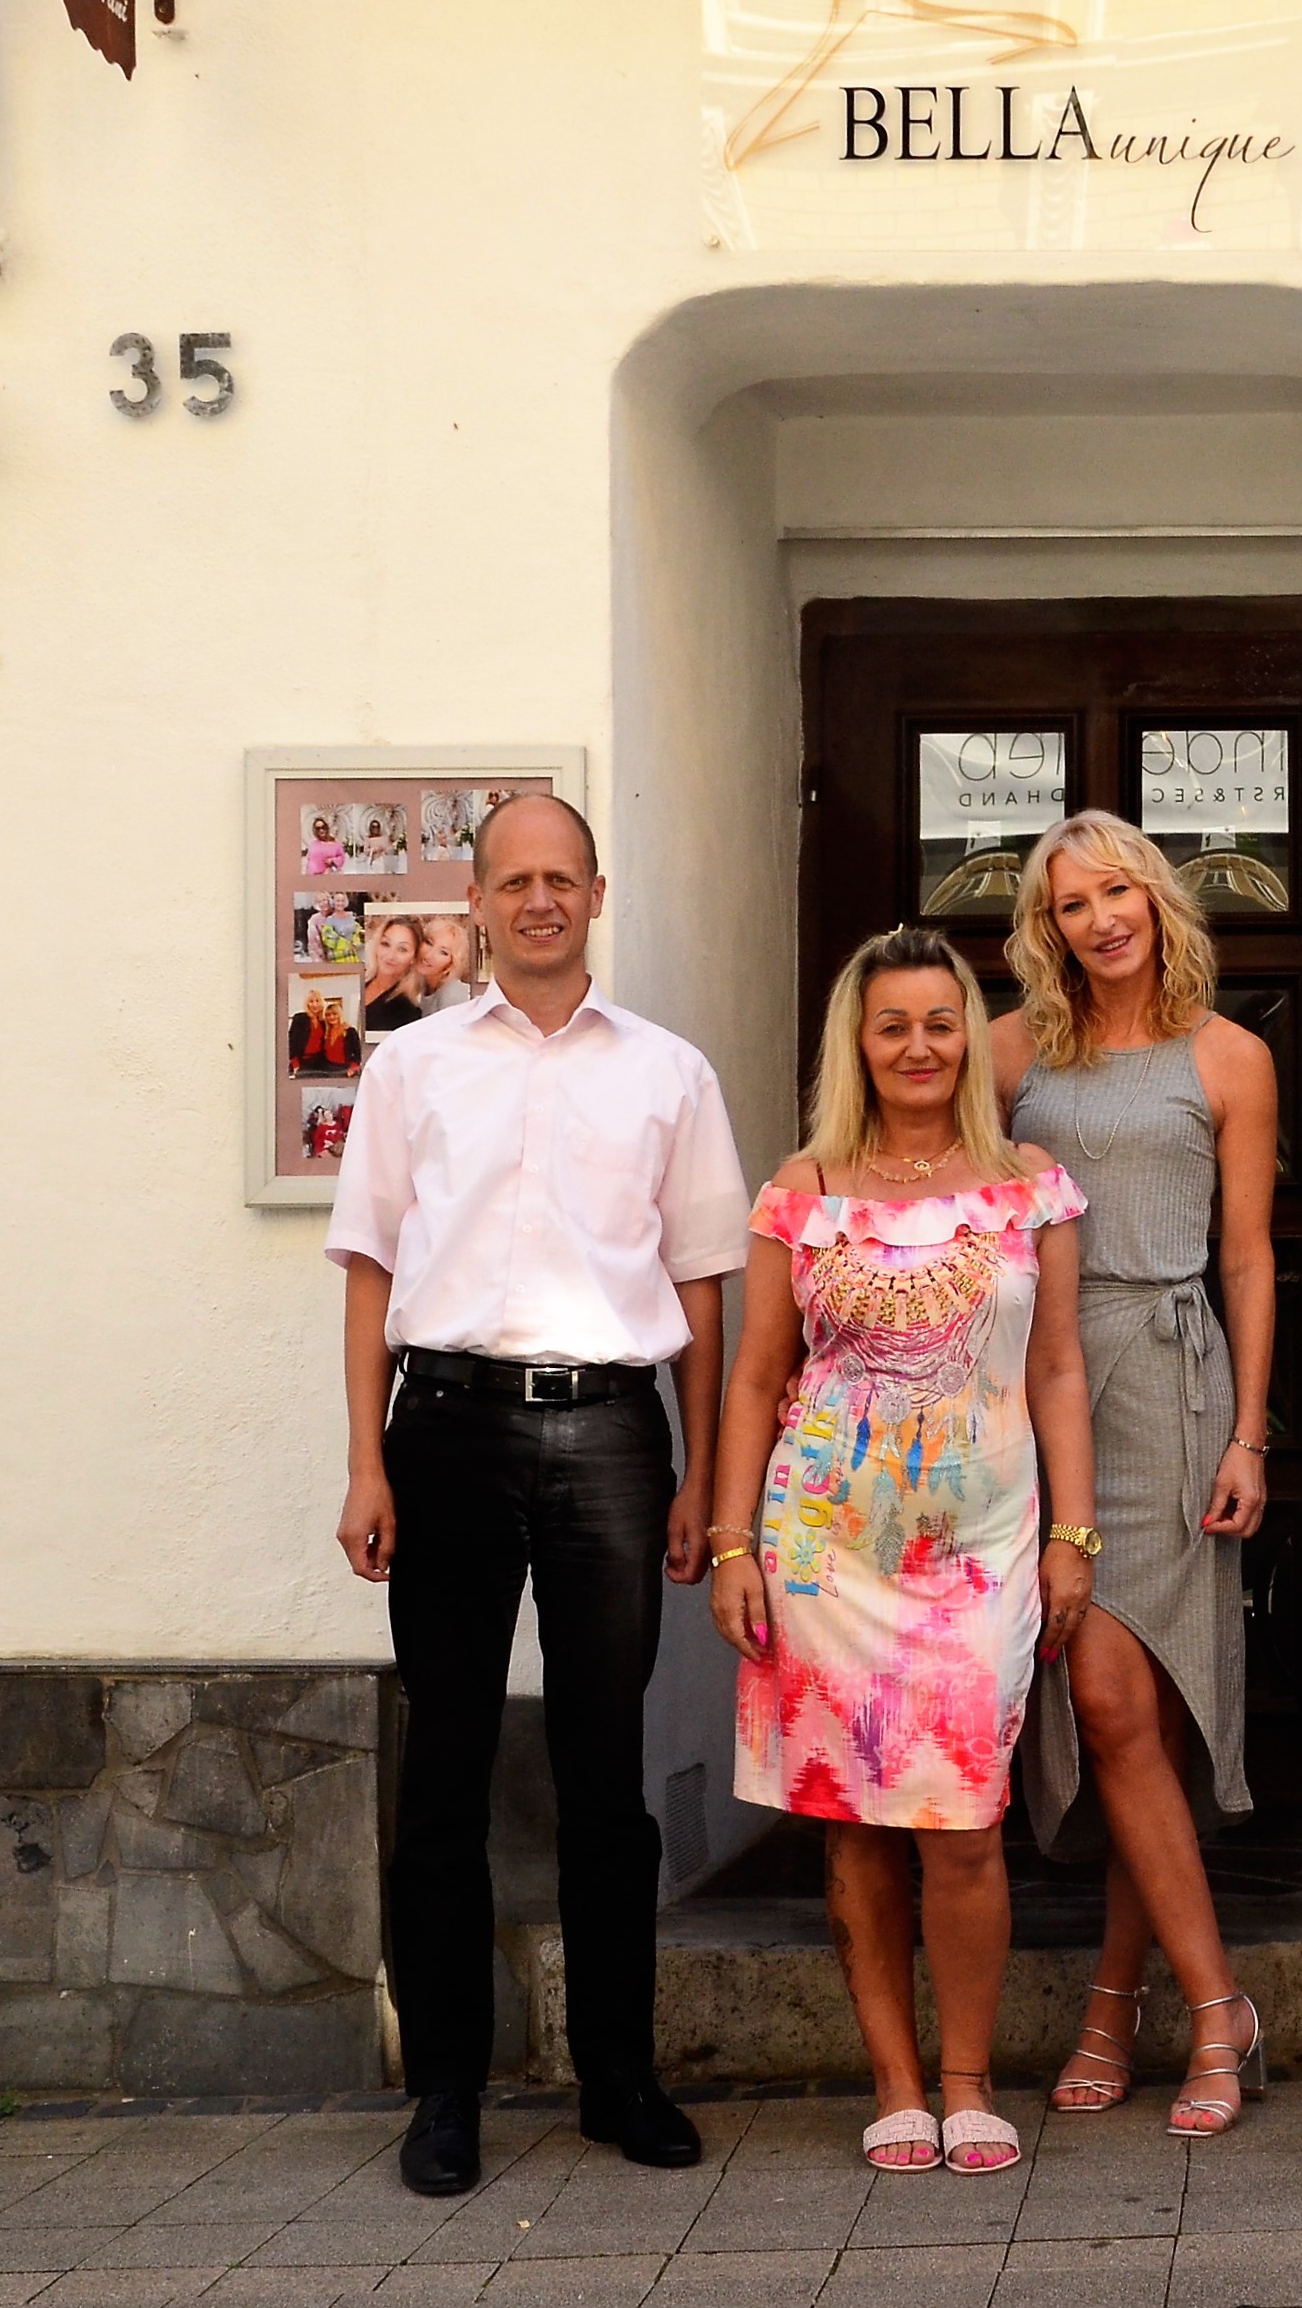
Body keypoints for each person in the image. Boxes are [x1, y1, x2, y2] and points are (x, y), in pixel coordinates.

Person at [325, 793, 746, 2196]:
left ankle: (616, 2074)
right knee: (443, 1765)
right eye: (516, 880)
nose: (541, 899)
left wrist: (695, 1473)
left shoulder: (669, 1073)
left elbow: (701, 1279)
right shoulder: (412, 1066)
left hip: (613, 1438)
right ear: (481, 900)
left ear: (596, 892)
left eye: (562, 877)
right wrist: (363, 1458)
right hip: (441, 1426)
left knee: (599, 1773)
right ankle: (446, 2087)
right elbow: (370, 1268)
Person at [705, 925, 1099, 2178]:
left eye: (939, 1022)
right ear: (858, 1043)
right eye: (893, 1026)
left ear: (966, 1035)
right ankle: (894, 2080)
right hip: (823, 1548)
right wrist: (730, 1543)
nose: (918, 1046)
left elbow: (1058, 1368)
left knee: (965, 1818)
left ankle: (970, 2076)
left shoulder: (1030, 1182)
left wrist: (1074, 1535)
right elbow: (757, 1373)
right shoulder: (802, 1187)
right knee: (856, 1822)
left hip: (982, 1556)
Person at [992, 812, 1278, 2138]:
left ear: (1156, 899)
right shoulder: (1012, 1055)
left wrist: (1250, 1432)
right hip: (1045, 1381)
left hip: (1172, 1380)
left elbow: (1250, 1258)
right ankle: (1173, 2000)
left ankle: (1166, 2007)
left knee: (1134, 1708)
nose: (1098, 919)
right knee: (1114, 1709)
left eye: (1116, 892)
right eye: (1068, 906)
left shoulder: (1229, 1056)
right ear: (1044, 931)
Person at [360, 917, 426, 1036]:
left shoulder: (408, 1013)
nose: (390, 956)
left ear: (414, 958)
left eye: (402, 949)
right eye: (385, 944)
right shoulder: (361, 980)